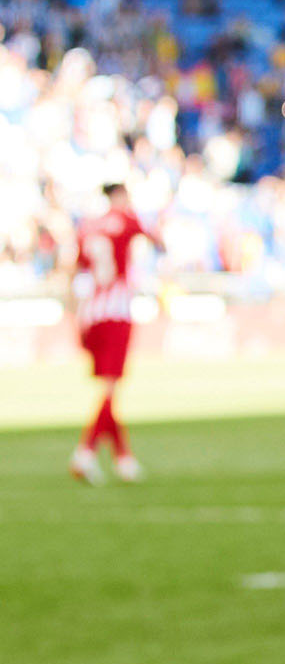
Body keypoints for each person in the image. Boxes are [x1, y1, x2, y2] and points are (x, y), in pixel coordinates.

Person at [69, 180, 161, 485]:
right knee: (110, 390)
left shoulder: (88, 226)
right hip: (116, 310)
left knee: (109, 390)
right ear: (119, 195)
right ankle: (86, 452)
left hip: (91, 312)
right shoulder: (126, 218)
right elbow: (157, 239)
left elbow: (77, 271)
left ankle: (124, 459)